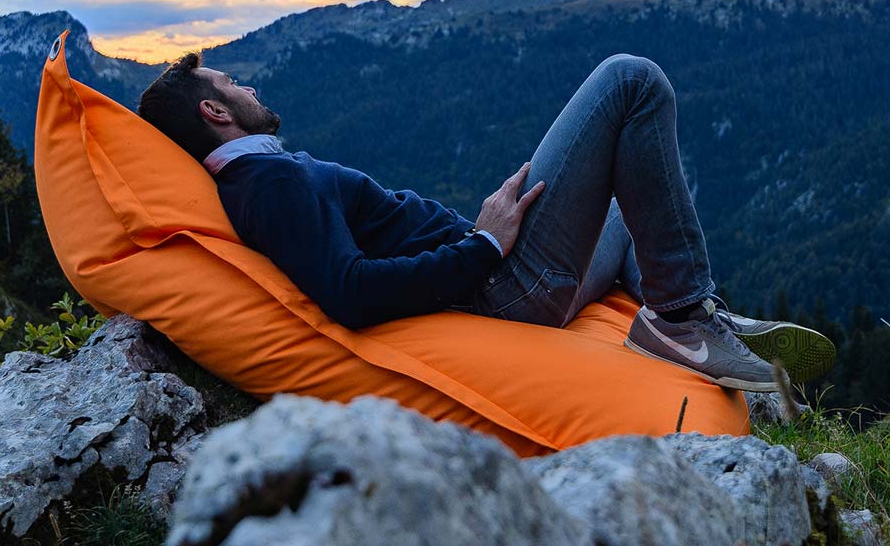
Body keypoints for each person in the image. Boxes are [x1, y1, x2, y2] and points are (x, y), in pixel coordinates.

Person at [137, 51, 834, 392]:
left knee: (625, 210)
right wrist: (482, 245)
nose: (248, 86)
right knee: (631, 80)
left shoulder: (265, 177)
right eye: (232, 85)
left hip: (502, 273)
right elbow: (348, 291)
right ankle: (683, 319)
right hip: (505, 288)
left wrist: (479, 240)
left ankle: (682, 312)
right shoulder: (272, 182)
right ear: (215, 113)